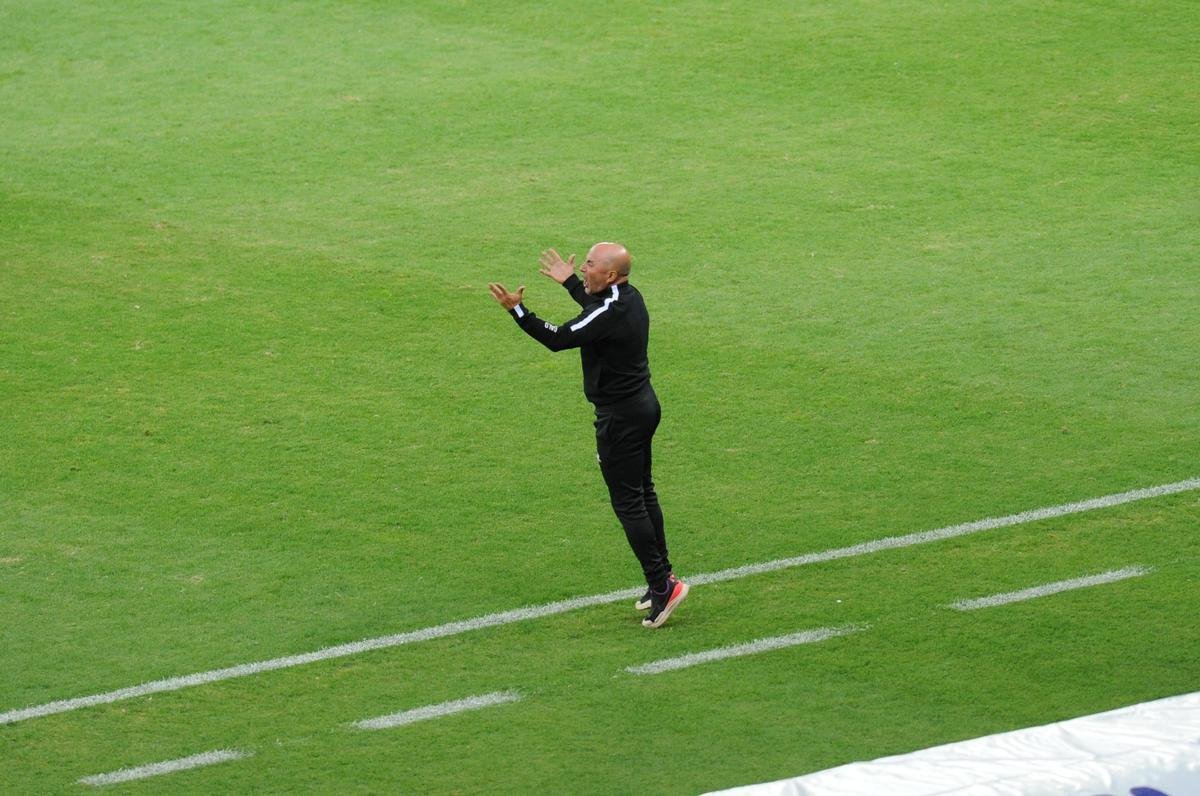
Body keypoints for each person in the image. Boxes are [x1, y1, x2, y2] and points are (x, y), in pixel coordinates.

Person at [488, 242, 688, 629]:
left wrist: (517, 309)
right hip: (643, 406)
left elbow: (560, 337)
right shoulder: (628, 297)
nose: (584, 270)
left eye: (590, 265)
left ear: (611, 275)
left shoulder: (609, 311)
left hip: (620, 419)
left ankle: (663, 586)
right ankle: (662, 577)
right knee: (644, 492)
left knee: (629, 502)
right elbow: (594, 310)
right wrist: (568, 284)